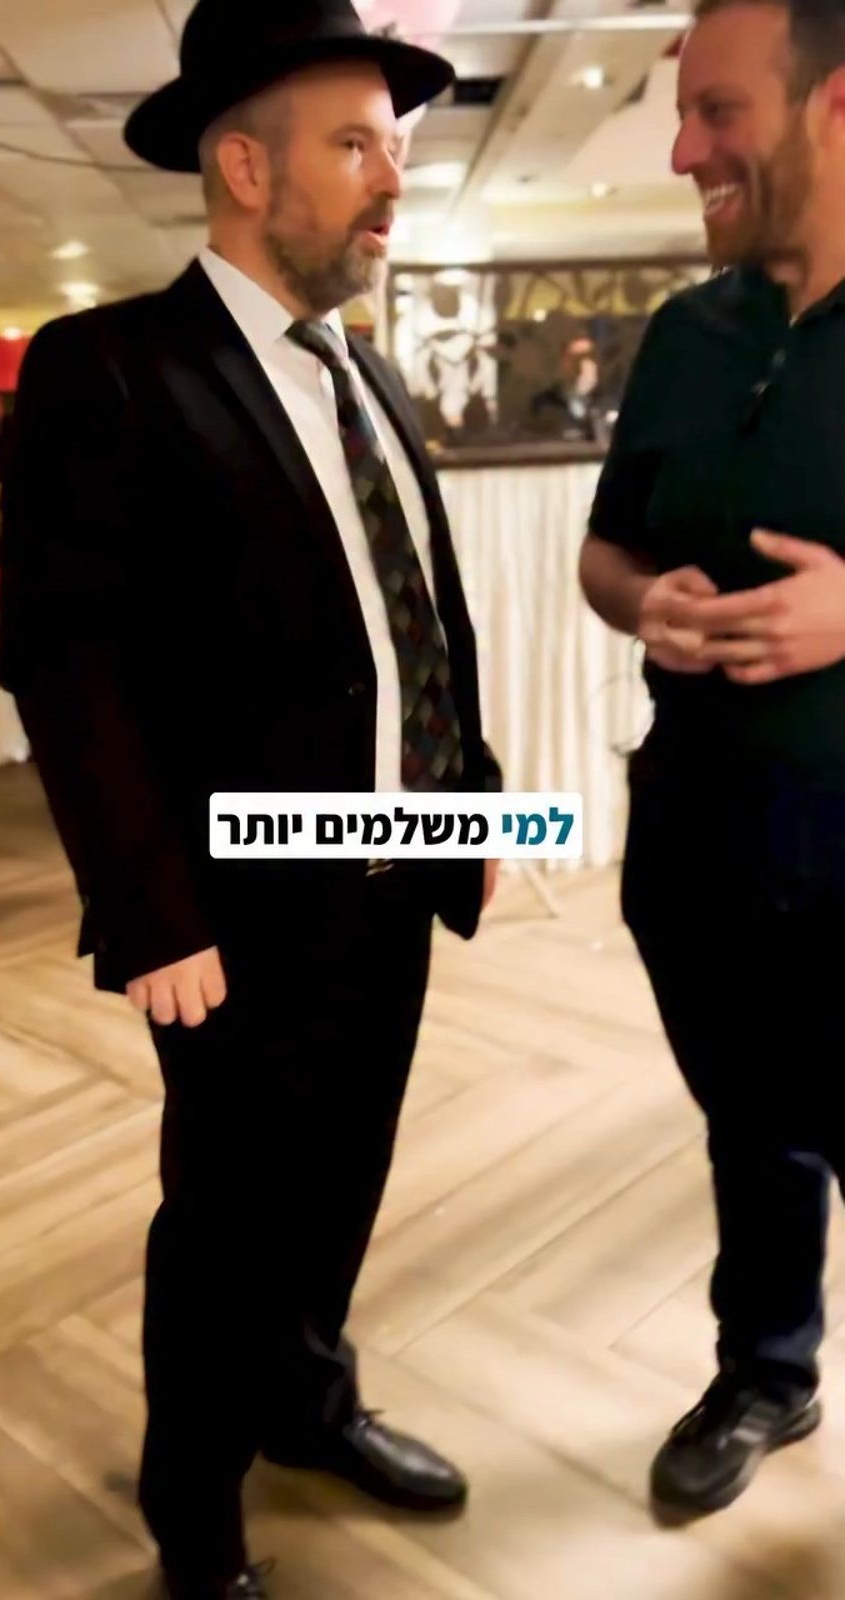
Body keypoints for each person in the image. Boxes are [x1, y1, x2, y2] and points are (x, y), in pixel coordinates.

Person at [0, 3, 502, 1595]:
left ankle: (308, 1402)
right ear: (242, 167)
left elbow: (417, 614)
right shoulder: (110, 369)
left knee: (342, 1180)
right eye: (355, 145)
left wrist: (470, 805)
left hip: (391, 873)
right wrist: (150, 906)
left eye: (394, 148)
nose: (391, 180)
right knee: (224, 1221)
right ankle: (195, 1512)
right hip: (231, 908)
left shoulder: (363, 374)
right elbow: (65, 664)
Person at [578, 0, 845, 1521]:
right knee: (752, 1130)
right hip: (700, 847)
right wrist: (647, 604)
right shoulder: (690, 333)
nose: (683, 151)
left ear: (834, 105)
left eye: (718, 111)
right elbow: (606, 551)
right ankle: (767, 1371)